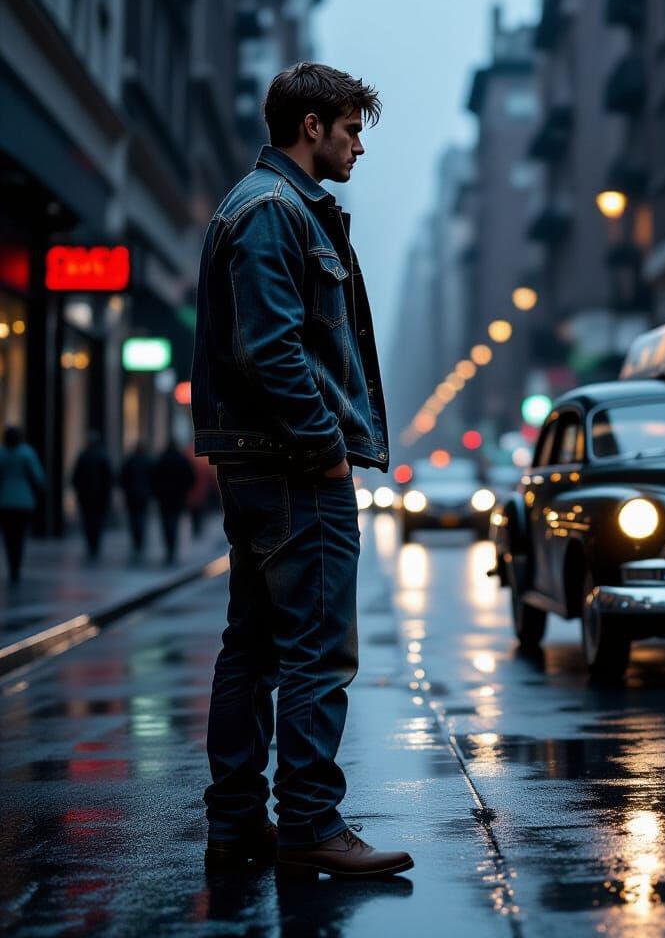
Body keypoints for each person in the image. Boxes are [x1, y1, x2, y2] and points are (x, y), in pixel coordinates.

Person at [191, 63, 411, 877]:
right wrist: (323, 449)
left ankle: (239, 823)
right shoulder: (275, 212)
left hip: (262, 463)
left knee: (251, 647)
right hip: (289, 467)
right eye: (351, 128)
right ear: (310, 126)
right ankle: (311, 823)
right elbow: (271, 350)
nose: (359, 144)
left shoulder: (269, 207)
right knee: (317, 649)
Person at [0, 426, 44, 583]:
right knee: (19, 536)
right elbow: (38, 477)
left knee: (8, 536)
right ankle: (16, 567)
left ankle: (12, 564)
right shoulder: (26, 453)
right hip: (23, 501)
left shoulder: (2, 454)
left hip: (5, 501)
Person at [150, 440, 196, 565]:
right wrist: (184, 491)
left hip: (164, 499)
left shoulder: (162, 459)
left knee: (166, 524)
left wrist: (157, 493)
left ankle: (169, 549)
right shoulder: (182, 460)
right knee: (174, 523)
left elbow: (154, 478)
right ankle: (172, 549)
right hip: (177, 498)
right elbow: (191, 478)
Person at [71, 433, 113, 561]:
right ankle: (95, 544)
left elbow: (75, 477)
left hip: (86, 496)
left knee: (88, 521)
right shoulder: (102, 456)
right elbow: (109, 477)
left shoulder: (83, 456)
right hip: (99, 497)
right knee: (97, 521)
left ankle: (91, 544)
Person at [119, 441, 153, 559]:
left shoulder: (129, 461)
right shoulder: (148, 461)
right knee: (141, 518)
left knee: (134, 519)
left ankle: (136, 539)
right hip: (143, 496)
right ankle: (140, 539)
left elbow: (122, 478)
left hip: (131, 496)